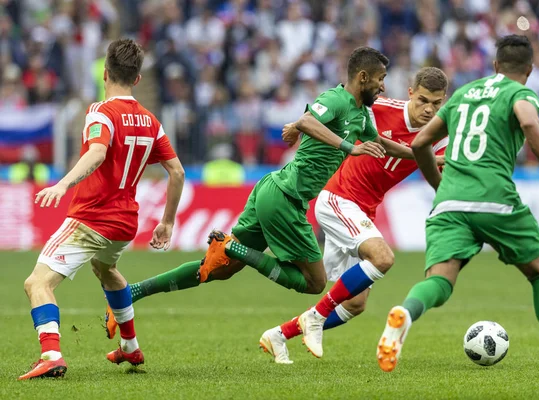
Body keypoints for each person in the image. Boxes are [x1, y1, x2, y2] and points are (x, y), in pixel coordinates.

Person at [103, 46, 413, 338]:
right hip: (286, 199)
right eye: (380, 79)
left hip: (271, 191)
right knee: (315, 283)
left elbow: (385, 144)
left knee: (216, 270)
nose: (383, 86)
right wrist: (348, 147)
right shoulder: (336, 99)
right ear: (362, 77)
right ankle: (237, 250)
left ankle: (132, 292)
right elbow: (307, 120)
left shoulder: (360, 115)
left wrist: (428, 155)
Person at [376, 35, 539, 393]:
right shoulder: (520, 93)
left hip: (450, 201)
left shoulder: (463, 93)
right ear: (528, 70)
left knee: (441, 281)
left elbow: (418, 144)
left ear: (494, 66)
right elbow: (527, 121)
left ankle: (406, 313)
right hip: (494, 197)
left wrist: (438, 187)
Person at [18, 39, 185, 380]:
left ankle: (51, 355)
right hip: (125, 223)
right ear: (137, 79)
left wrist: (63, 184)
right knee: (106, 270)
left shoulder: (101, 111)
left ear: (105, 73)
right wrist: (166, 222)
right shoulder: (151, 121)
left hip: (91, 218)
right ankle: (130, 346)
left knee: (37, 283)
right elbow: (177, 172)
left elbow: (97, 152)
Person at [259, 67, 449, 363]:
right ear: (410, 93)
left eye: (436, 104)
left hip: (364, 210)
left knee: (356, 303)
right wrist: (298, 125)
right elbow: (336, 106)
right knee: (383, 258)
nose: (429, 109)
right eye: (423, 100)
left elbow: (440, 172)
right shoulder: (381, 108)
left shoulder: (440, 137)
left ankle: (279, 334)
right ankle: (314, 317)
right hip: (339, 197)